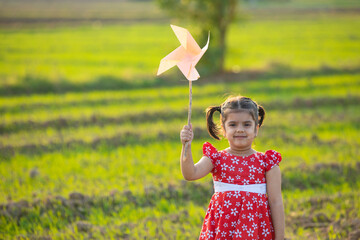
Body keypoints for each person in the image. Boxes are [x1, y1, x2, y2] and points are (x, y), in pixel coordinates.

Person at [180, 96, 285, 240]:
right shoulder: (216, 158)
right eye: (233, 125)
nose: (240, 130)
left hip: (256, 231)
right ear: (223, 129)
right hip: (223, 231)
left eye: (247, 124)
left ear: (256, 129)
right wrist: (186, 145)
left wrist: (280, 238)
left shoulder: (267, 163)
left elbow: (276, 202)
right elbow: (190, 173)